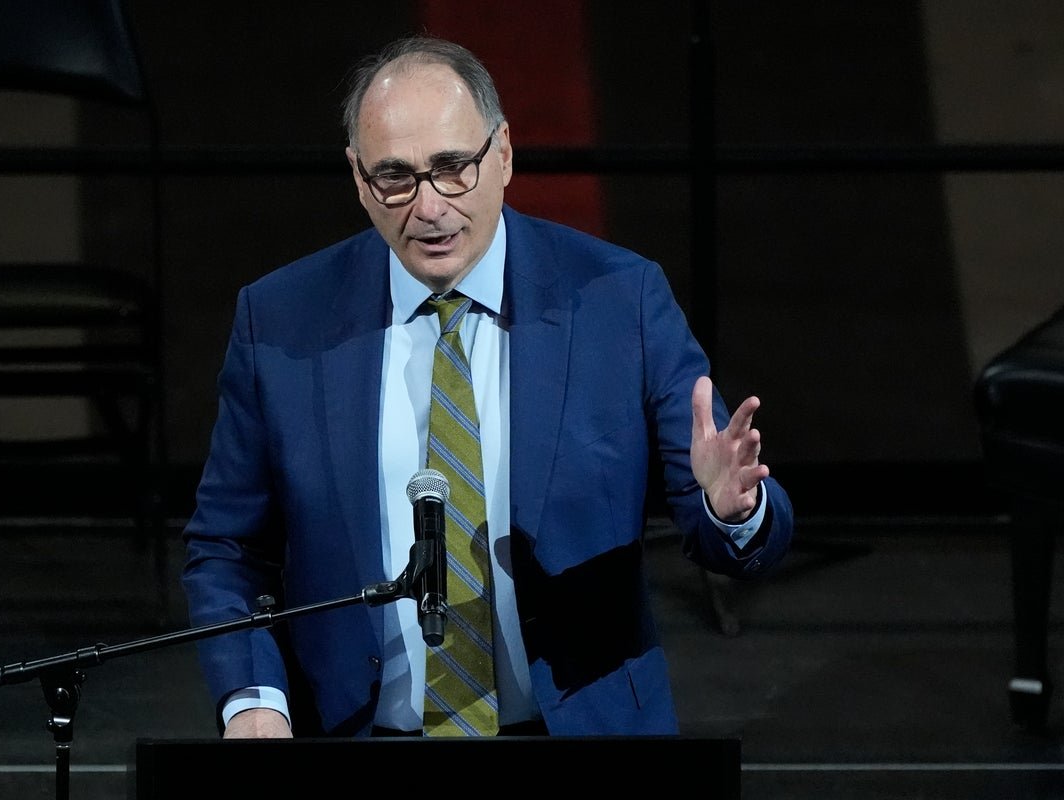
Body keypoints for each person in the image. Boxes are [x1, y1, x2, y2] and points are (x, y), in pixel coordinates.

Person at [181, 33, 794, 739]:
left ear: (502, 153)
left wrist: (730, 508)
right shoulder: (283, 320)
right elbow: (228, 548)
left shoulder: (618, 300)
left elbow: (738, 530)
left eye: (452, 168)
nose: (428, 206)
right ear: (357, 176)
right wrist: (253, 699)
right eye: (395, 177)